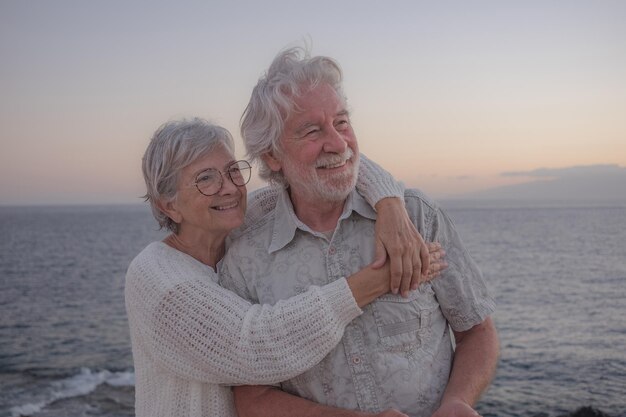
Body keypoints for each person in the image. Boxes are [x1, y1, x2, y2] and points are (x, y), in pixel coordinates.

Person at [220, 47, 499, 417]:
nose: (338, 144)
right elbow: (252, 398)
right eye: (312, 130)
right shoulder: (245, 257)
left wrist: (457, 401)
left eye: (341, 122)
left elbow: (476, 331)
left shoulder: (417, 215)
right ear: (272, 156)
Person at [125, 118, 447, 417]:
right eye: (206, 178)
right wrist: (380, 279)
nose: (229, 188)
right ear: (168, 204)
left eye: (233, 170)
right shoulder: (158, 280)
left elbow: (327, 168)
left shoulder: (241, 224)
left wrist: (389, 204)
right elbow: (258, 345)